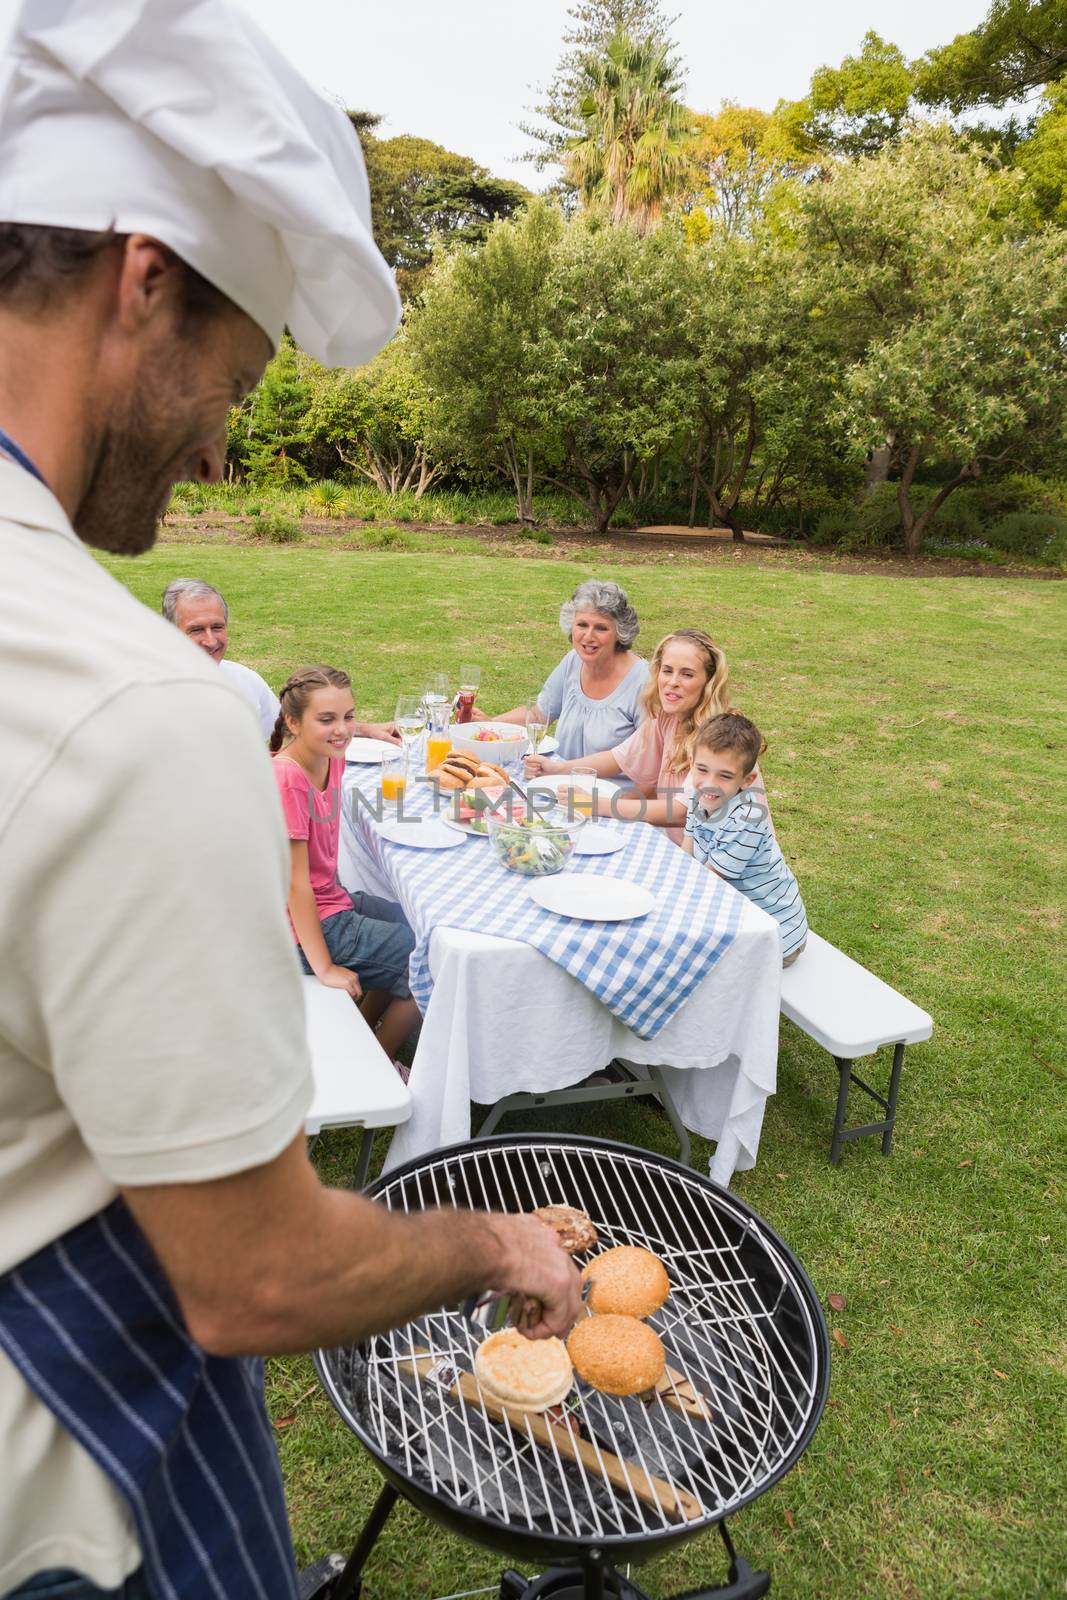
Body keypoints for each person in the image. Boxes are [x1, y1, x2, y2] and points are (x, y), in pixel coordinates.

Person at [0, 7, 579, 1600]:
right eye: (235, 378)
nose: (222, 434)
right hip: (60, 1469)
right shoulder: (140, 703)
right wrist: (491, 1243)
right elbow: (252, 1277)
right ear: (147, 276)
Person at [271, 665, 420, 1063]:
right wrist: (324, 967)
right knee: (427, 963)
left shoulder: (329, 754)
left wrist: (369, 729)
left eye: (348, 717)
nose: (342, 729)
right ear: (293, 722)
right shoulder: (287, 780)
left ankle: (364, 1031)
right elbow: (295, 887)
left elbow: (343, 731)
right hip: (302, 928)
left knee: (417, 922)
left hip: (330, 900)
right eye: (326, 720)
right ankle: (376, 1063)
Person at [525, 628, 769, 845]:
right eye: (667, 671)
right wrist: (557, 768)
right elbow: (618, 758)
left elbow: (683, 811)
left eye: (687, 674)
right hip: (684, 849)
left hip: (731, 871)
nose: (672, 682)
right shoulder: (668, 717)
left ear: (708, 682)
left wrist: (598, 804)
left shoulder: (718, 736)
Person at [162, 576, 402, 746]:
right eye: (196, 630)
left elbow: (291, 725)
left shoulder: (242, 679)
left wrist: (366, 729)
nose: (211, 640)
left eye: (217, 627)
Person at [683, 713, 807, 965]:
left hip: (775, 936)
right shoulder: (699, 799)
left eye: (724, 776)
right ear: (691, 763)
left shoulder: (746, 819)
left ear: (747, 780)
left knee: (694, 963)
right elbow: (686, 852)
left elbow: (708, 882)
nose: (709, 784)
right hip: (740, 917)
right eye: (702, 769)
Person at [482, 579, 648, 757]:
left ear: (620, 633)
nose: (588, 636)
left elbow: (647, 756)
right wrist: (490, 724)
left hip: (611, 784)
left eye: (601, 628)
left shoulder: (643, 681)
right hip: (561, 780)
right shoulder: (573, 661)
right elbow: (538, 716)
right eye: (582, 625)